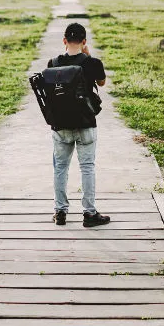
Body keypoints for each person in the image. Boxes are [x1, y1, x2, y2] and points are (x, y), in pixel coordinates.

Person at [47, 22, 110, 228]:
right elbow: (101, 83)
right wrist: (88, 56)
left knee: (60, 169)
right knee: (87, 168)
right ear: (84, 41)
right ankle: (89, 214)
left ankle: (60, 212)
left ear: (64, 41)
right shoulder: (92, 63)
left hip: (61, 125)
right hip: (85, 124)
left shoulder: (53, 63)